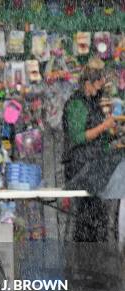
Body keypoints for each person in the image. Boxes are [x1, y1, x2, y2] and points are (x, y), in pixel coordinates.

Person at [63, 59, 118, 242]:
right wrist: (103, 127)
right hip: (79, 168)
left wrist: (112, 137)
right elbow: (78, 137)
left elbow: (99, 139)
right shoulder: (76, 104)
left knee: (98, 215)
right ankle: (88, 256)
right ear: (87, 83)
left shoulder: (95, 103)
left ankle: (96, 254)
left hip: (93, 165)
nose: (100, 89)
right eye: (97, 84)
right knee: (90, 215)